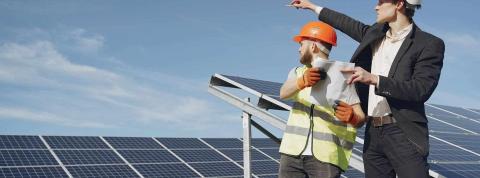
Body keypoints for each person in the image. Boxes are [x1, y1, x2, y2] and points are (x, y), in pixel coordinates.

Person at [289, 0, 445, 177]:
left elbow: (421, 89)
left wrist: (374, 79)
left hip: (403, 131)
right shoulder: (374, 34)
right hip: (373, 132)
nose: (375, 7)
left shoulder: (429, 43)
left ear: (399, 4)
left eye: (380, 2)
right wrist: (312, 6)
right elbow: (346, 23)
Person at [279, 21, 365, 178]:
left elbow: (360, 118)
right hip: (292, 152)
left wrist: (352, 117)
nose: (298, 49)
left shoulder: (344, 75)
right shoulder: (297, 72)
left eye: (301, 44)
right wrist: (302, 81)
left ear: (313, 46)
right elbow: (283, 92)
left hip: (326, 156)